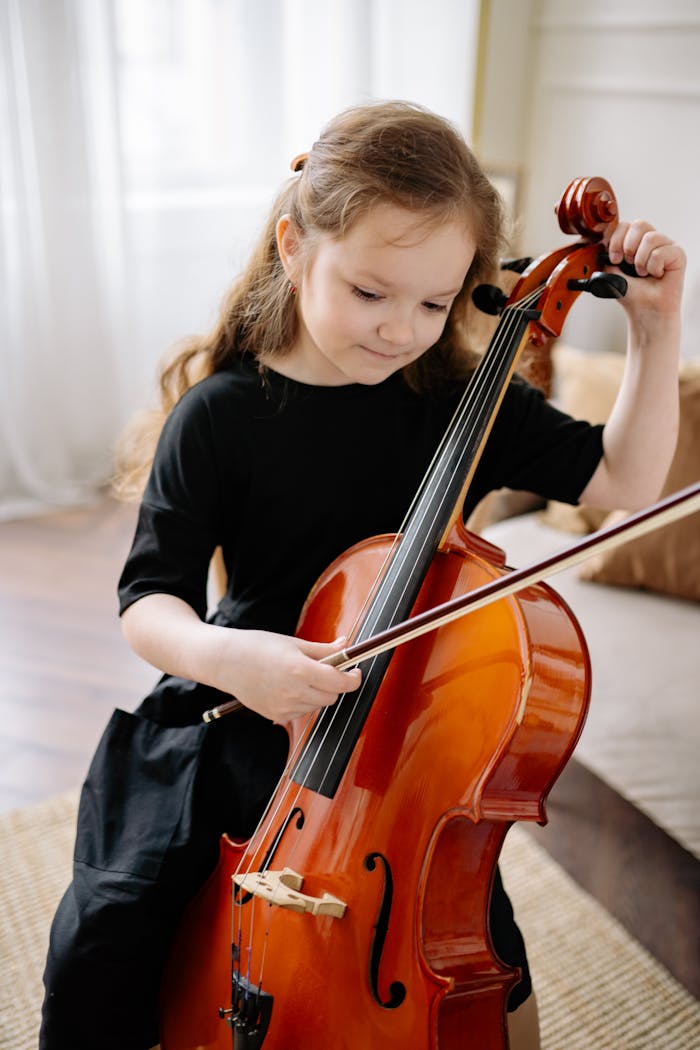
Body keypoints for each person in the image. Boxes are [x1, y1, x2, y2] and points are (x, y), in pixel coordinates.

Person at [40, 100, 685, 1050]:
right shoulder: (220, 417)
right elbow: (151, 604)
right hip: (249, 704)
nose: (399, 331)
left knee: (478, 982)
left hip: (409, 753)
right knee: (106, 943)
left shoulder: (460, 397)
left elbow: (628, 481)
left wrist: (656, 328)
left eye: (433, 303)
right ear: (294, 247)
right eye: (370, 293)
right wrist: (234, 658)